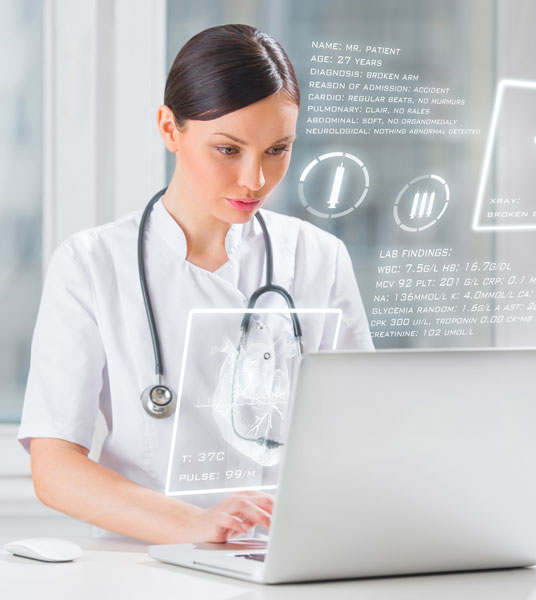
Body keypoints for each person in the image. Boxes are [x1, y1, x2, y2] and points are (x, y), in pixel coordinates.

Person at [18, 24, 373, 544]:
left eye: (277, 150)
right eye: (229, 150)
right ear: (169, 129)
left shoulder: (318, 257)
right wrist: (194, 525)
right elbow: (55, 468)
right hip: (145, 556)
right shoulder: (92, 263)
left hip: (285, 551)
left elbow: (365, 428)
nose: (254, 179)